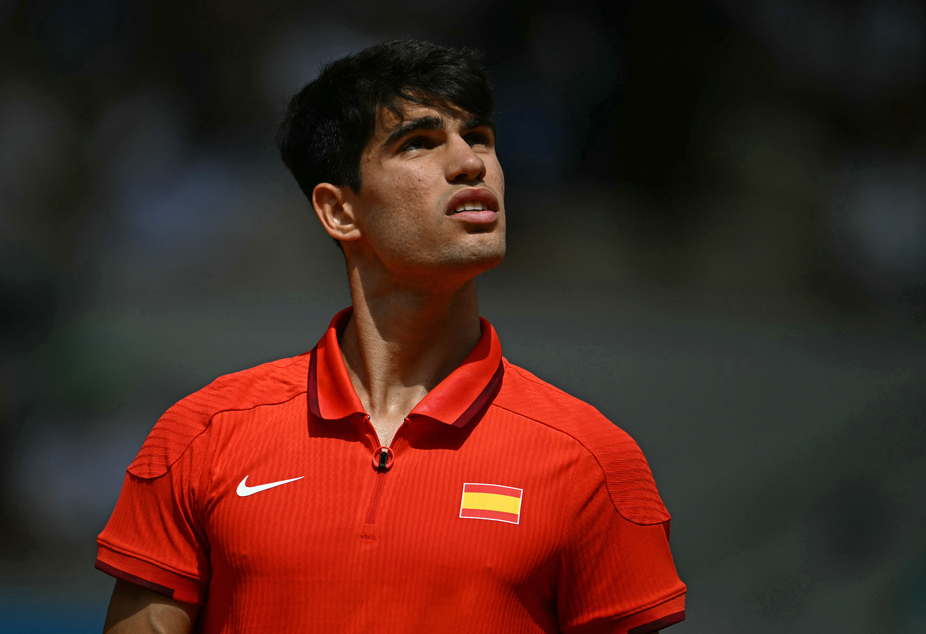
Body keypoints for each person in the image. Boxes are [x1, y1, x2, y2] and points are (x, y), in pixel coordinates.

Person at [96, 39, 686, 633]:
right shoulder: (200, 437)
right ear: (339, 213)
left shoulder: (595, 461)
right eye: (420, 144)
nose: (470, 163)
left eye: (478, 137)